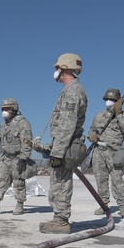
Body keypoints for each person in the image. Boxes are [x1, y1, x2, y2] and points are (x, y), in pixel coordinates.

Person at [37, 53, 88, 234]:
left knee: (61, 183)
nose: (56, 72)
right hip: (63, 143)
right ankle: (58, 218)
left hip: (66, 145)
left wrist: (57, 153)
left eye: (58, 68)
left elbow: (67, 124)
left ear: (64, 69)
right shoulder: (71, 90)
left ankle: (61, 221)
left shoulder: (73, 91)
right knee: (58, 182)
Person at [0, 98, 33, 215]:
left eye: (6, 109)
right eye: (2, 109)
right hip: (5, 158)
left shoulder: (22, 123)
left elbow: (27, 142)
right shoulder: (3, 124)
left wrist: (23, 158)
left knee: (18, 182)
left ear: (13, 109)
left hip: (18, 158)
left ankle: (20, 205)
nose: (4, 111)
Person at [87, 88, 124, 218]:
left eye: (112, 100)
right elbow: (91, 130)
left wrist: (118, 114)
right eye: (107, 99)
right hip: (99, 150)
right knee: (100, 179)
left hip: (114, 151)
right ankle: (103, 205)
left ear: (118, 101)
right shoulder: (99, 116)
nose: (109, 101)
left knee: (117, 180)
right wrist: (91, 136)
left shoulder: (123, 115)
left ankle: (122, 206)